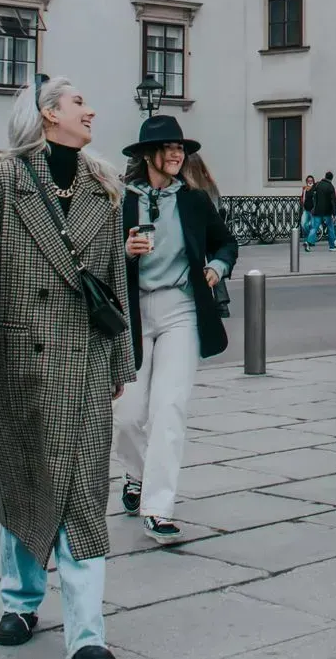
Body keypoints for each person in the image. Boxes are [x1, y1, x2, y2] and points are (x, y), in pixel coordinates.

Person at [0, 77, 132, 659]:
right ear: (49, 114)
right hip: (18, 364)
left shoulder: (104, 187)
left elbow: (114, 283)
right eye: (79, 103)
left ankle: (87, 634)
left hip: (83, 362)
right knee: (24, 485)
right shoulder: (4, 183)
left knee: (83, 493)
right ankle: (21, 601)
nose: (90, 110)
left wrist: (120, 360)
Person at [114, 116, 238, 541]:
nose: (176, 154)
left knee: (169, 408)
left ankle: (158, 507)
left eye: (180, 148)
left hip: (181, 309)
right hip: (132, 313)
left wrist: (217, 267)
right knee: (127, 415)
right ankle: (136, 474)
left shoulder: (193, 200)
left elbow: (225, 242)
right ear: (147, 155)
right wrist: (124, 251)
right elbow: (95, 256)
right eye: (168, 147)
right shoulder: (120, 201)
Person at [181, 153, 230, 317]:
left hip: (198, 231)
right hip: (213, 230)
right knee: (214, 265)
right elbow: (220, 207)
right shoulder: (210, 184)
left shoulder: (190, 187)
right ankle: (222, 302)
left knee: (195, 264)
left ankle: (201, 300)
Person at [305, 170, 336, 250]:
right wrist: (335, 214)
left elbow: (309, 194)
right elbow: (333, 201)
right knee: (330, 228)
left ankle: (308, 242)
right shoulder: (330, 187)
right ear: (331, 178)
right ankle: (332, 246)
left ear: (325, 176)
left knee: (314, 228)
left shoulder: (317, 184)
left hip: (317, 210)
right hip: (327, 212)